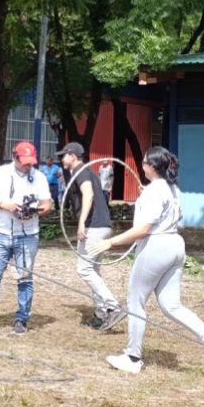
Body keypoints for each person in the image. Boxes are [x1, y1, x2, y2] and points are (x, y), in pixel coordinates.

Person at [88, 146, 204, 375]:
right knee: (171, 305)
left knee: (135, 302)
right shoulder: (171, 188)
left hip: (156, 246)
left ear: (151, 167)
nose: (142, 165)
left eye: (143, 162)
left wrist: (110, 243)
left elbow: (143, 229)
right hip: (175, 245)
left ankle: (132, 357)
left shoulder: (154, 192)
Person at [0, 141, 52, 335]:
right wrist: (4, 205)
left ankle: (22, 319)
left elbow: (47, 205)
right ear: (14, 157)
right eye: (24, 162)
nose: (28, 166)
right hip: (0, 233)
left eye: (31, 162)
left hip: (27, 235)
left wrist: (34, 211)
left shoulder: (40, 177)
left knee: (25, 278)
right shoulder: (0, 173)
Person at [57, 142, 126, 331]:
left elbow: (88, 195)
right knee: (93, 270)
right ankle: (101, 315)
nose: (62, 159)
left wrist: (81, 223)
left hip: (93, 227)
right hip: (103, 226)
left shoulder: (81, 172)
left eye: (64, 155)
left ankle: (113, 306)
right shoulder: (87, 172)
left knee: (84, 269)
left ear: (73, 156)